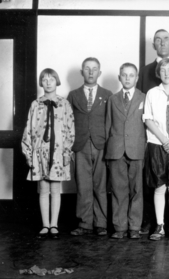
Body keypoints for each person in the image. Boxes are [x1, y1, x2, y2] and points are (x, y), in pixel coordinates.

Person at [136, 29, 169, 235]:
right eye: (163, 70)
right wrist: (164, 140)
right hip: (157, 144)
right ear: (158, 72)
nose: (167, 73)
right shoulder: (151, 93)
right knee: (158, 186)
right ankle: (159, 225)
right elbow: (147, 118)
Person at [22, 68, 75, 239]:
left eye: (51, 79)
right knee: (43, 189)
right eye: (44, 79)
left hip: (58, 152)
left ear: (57, 81)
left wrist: (67, 151)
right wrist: (29, 153)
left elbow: (69, 128)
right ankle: (45, 224)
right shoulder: (35, 104)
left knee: (55, 189)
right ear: (41, 83)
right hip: (40, 152)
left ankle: (54, 225)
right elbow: (29, 129)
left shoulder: (64, 104)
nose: (48, 82)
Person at [68, 57, 112, 236]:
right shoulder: (73, 95)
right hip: (80, 145)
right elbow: (68, 122)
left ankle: (101, 223)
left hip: (101, 144)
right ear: (82, 72)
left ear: (99, 72)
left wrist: (110, 146)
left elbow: (111, 122)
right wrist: (70, 147)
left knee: (100, 185)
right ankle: (84, 223)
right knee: (83, 185)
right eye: (87, 68)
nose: (91, 72)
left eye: (94, 69)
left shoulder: (108, 94)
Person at [105, 63, 146, 239]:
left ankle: (135, 226)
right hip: (116, 150)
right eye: (124, 75)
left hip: (137, 149)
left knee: (137, 189)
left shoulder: (144, 97)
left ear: (137, 78)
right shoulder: (113, 99)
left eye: (131, 75)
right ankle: (119, 227)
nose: (128, 78)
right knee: (118, 189)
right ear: (119, 77)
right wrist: (108, 151)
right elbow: (108, 125)